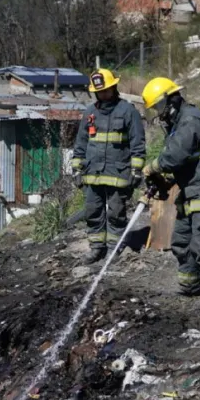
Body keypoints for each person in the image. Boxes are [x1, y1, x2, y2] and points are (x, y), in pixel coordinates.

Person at [141, 77, 200, 302]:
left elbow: (173, 157)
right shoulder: (178, 123)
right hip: (191, 190)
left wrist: (152, 167)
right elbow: (184, 160)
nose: (159, 113)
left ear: (170, 100)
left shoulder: (190, 121)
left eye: (158, 107)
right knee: (181, 240)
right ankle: (190, 286)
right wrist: (165, 181)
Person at [72, 68, 146, 264]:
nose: (103, 94)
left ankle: (115, 248)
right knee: (93, 211)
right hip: (92, 173)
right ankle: (96, 248)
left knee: (116, 212)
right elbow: (81, 143)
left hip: (118, 173)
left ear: (114, 87)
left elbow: (137, 143)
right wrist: (76, 169)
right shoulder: (89, 113)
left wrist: (136, 170)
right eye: (99, 91)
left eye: (106, 90)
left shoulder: (128, 111)